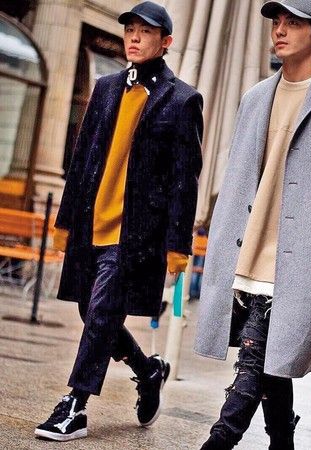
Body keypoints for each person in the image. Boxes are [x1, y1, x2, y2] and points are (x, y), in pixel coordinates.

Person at [195, 1, 311, 448]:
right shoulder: (254, 97)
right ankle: (282, 440)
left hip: (300, 263)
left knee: (254, 358)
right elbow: (238, 174)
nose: (280, 30)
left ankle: (219, 440)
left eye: (293, 23)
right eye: (277, 22)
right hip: (246, 251)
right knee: (271, 361)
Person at [35, 1, 203, 442]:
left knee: (102, 312)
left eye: (145, 32)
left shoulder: (182, 100)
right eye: (130, 30)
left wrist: (178, 244)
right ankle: (148, 371)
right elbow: (81, 158)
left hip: (136, 235)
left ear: (165, 42)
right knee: (90, 311)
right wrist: (65, 220)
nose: (134, 37)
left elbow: (185, 180)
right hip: (92, 223)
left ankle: (75, 405)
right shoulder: (107, 87)